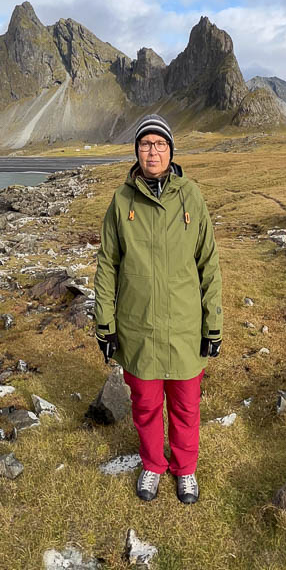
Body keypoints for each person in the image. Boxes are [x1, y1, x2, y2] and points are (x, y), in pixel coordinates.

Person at [94, 114, 223, 504]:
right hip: (138, 328)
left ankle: (185, 470)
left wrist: (212, 325)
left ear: (171, 151)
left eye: (160, 144)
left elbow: (209, 263)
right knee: (146, 405)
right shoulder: (121, 200)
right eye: (146, 144)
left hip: (185, 327)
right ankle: (153, 464)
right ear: (136, 151)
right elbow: (107, 264)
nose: (153, 151)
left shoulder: (191, 196)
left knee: (186, 405)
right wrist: (105, 324)